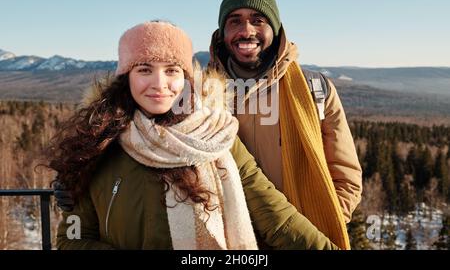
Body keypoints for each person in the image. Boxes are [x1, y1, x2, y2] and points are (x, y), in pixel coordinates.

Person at [47, 20, 338, 250]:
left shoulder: (217, 137)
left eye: (172, 70)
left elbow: (278, 219)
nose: (159, 84)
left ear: (185, 78)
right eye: (145, 69)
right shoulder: (100, 144)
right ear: (127, 76)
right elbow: (72, 238)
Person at [208, 0, 363, 249]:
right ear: (223, 33)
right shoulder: (201, 94)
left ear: (276, 30)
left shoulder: (316, 89)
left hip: (300, 238)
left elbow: (346, 175)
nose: (246, 31)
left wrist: (318, 224)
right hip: (228, 241)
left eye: (258, 20)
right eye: (235, 21)